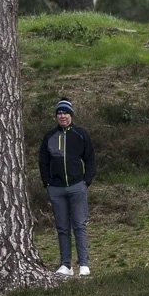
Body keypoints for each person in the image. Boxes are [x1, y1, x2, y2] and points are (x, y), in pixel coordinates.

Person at [38, 98, 96, 277]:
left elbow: (90, 158)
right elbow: (43, 161)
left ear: (71, 115)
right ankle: (65, 264)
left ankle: (84, 263)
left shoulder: (80, 134)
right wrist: (47, 182)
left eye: (65, 113)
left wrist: (87, 180)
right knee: (62, 227)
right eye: (59, 113)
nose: (62, 116)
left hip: (77, 186)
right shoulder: (49, 136)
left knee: (79, 225)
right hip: (56, 188)